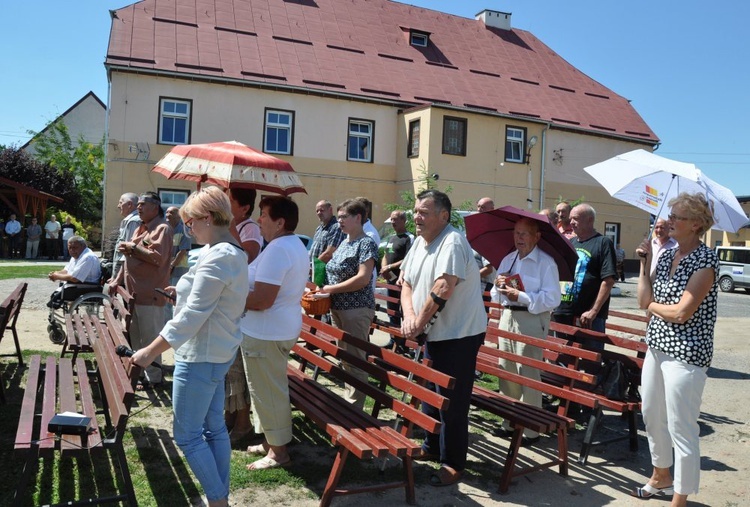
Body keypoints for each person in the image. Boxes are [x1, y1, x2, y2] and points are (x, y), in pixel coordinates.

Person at [129, 186, 248, 507]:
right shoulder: (225, 251)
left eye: (191, 222)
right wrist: (180, 293)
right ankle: (218, 498)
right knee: (212, 429)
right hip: (214, 353)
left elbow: (194, 316)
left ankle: (218, 499)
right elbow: (208, 301)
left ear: (208, 218)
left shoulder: (219, 255)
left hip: (200, 356)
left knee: (188, 435)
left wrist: (150, 351)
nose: (188, 228)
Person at [633, 193, 719, 506]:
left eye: (678, 217)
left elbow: (682, 312)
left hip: (686, 353)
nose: (670, 221)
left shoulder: (705, 260)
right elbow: (645, 296)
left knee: (681, 426)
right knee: (652, 415)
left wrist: (652, 305)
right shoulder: (668, 255)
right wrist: (644, 263)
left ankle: (679, 499)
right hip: (657, 346)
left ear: (696, 224)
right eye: (670, 215)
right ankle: (660, 476)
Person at [399, 189, 486, 487]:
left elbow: (443, 287)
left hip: (459, 334)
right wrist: (410, 319)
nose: (416, 216)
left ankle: (453, 463)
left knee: (452, 401)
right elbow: (407, 283)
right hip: (434, 332)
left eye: (424, 211)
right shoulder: (419, 243)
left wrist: (418, 324)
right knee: (430, 396)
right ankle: (431, 446)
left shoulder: (452, 242)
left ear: (444, 216)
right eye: (415, 210)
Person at [241, 196, 309, 470]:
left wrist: (231, 296)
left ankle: (278, 452)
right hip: (273, 329)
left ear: (280, 222)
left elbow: (262, 300)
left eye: (264, 215)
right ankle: (271, 440)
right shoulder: (288, 245)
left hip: (267, 332)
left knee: (269, 391)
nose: (259, 220)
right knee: (264, 389)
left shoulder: (280, 249)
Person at [490, 218, 560, 445]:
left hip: (531, 318)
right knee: (506, 370)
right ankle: (510, 420)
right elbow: (494, 294)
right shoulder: (508, 259)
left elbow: (552, 299)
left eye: (524, 234)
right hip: (507, 316)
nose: (519, 238)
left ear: (536, 236)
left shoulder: (545, 262)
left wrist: (520, 295)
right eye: (516, 233)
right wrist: (499, 286)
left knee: (527, 371)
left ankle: (531, 428)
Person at [318, 198, 378, 410]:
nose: (340, 220)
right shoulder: (345, 242)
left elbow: (363, 278)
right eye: (339, 216)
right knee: (345, 356)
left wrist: (329, 290)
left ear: (358, 218)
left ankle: (354, 408)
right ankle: (348, 400)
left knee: (356, 358)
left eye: (344, 217)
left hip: (356, 309)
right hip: (338, 308)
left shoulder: (366, 242)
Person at [111, 191, 173, 387]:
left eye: (143, 204)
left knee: (150, 338)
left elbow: (157, 257)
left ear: (155, 208)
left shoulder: (162, 229)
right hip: (134, 295)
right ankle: (138, 374)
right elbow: (129, 260)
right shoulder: (142, 228)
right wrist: (117, 280)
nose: (138, 207)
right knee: (136, 338)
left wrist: (133, 248)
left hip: (151, 295)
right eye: (137, 204)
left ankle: (154, 378)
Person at [225, 187, 263, 442]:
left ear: (244, 207)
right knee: (229, 367)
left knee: (237, 368)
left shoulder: (250, 229)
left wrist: (228, 229)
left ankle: (242, 423)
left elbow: (245, 257)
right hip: (230, 304)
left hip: (242, 308)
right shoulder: (232, 225)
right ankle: (230, 416)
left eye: (229, 201)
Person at [553, 203, 617, 340]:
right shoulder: (571, 243)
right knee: (561, 358)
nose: (571, 222)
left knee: (589, 358)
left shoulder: (603, 242)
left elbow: (608, 280)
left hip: (588, 317)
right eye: (570, 219)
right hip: (563, 312)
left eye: (575, 218)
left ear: (589, 220)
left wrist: (593, 311)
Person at [380, 209, 412, 351]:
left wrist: (391, 267)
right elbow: (385, 255)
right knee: (391, 311)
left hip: (403, 282)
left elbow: (409, 258)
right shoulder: (391, 238)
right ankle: (393, 340)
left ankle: (404, 343)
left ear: (403, 220)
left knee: (404, 311)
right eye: (391, 219)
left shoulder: (409, 238)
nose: (392, 222)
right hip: (390, 281)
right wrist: (384, 269)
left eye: (395, 219)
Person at [107, 192, 141, 287]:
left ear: (129, 204)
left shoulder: (133, 221)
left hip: (125, 273)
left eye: (121, 202)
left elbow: (128, 253)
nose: (118, 206)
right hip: (122, 272)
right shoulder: (129, 220)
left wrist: (117, 278)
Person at [166, 206, 192, 285]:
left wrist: (171, 266)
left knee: (174, 295)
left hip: (179, 271)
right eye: (167, 212)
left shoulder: (184, 230)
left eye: (171, 213)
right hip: (167, 271)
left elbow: (182, 251)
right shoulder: (167, 230)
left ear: (179, 216)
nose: (167, 214)